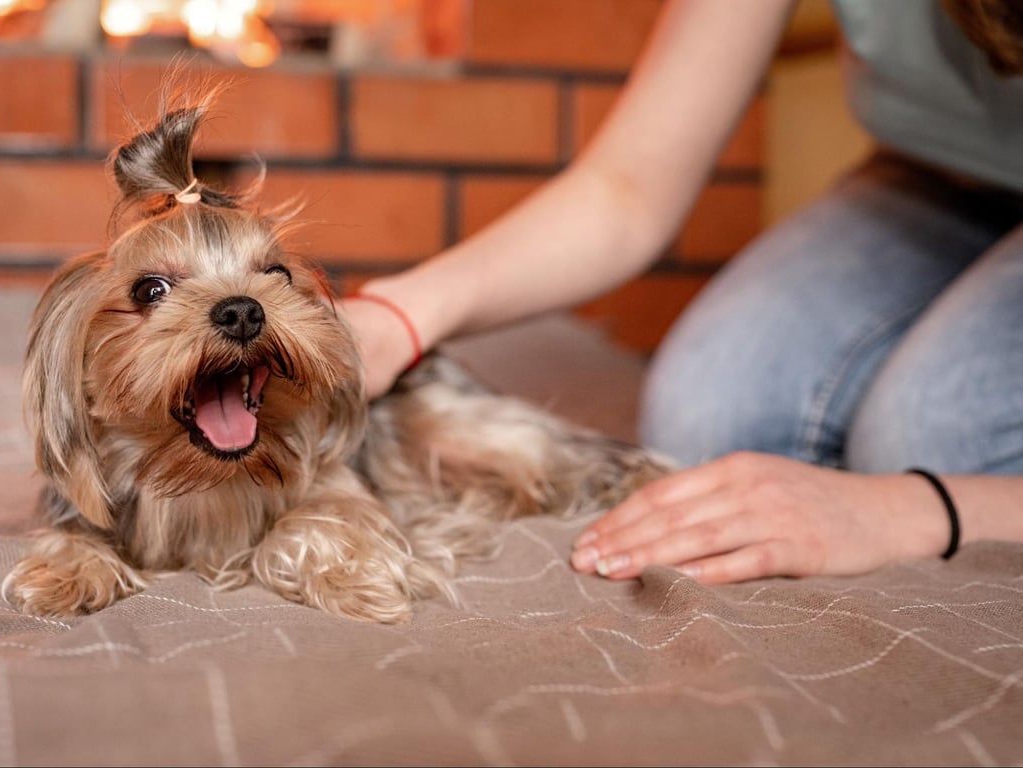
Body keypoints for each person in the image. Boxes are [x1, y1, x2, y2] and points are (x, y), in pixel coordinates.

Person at [340, 0, 1023, 586]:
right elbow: (627, 186)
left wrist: (912, 507)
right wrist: (401, 313)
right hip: (935, 172)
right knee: (708, 416)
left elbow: (912, 491)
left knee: (932, 433)